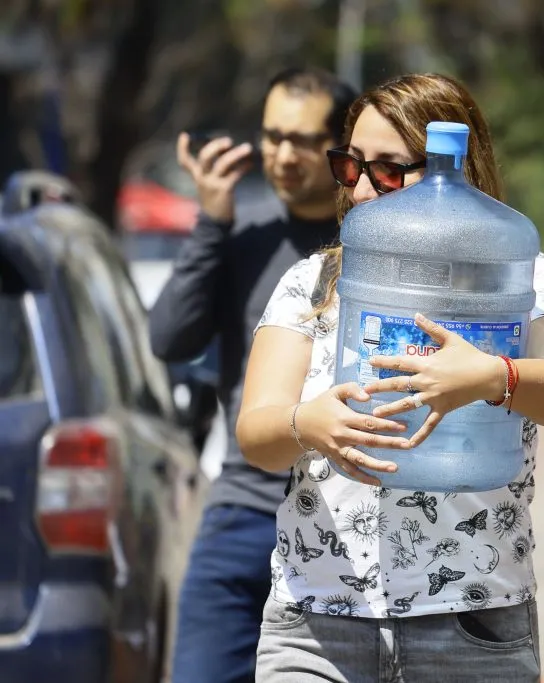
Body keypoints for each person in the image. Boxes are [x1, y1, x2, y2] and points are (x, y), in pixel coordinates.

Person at [236, 72, 544, 682]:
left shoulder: (520, 272)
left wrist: (492, 376)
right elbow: (256, 433)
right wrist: (308, 424)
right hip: (316, 622)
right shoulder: (312, 283)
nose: (363, 190)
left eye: (387, 170)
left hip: (471, 619)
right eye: (351, 166)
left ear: (456, 170)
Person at [148, 67, 357, 683]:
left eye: (304, 140)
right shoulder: (241, 235)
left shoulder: (372, 243)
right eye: (273, 136)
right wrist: (211, 220)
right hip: (243, 511)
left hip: (343, 522)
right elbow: (169, 337)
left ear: (341, 147)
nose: (284, 155)